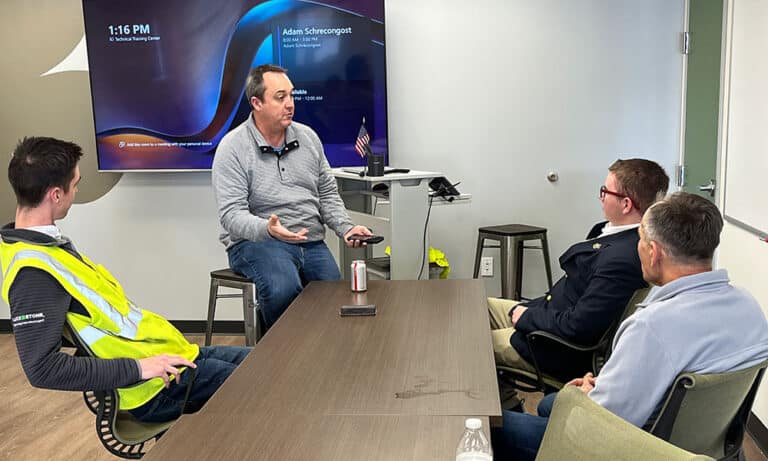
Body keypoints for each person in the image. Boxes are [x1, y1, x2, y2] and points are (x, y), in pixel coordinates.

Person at [492, 192, 768, 460]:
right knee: (548, 404)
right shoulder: (750, 308)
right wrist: (600, 387)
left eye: (639, 240)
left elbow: (596, 426)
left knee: (488, 426)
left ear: (654, 251)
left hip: (629, 448)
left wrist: (586, 395)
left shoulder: (652, 326)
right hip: (703, 448)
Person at [1, 137, 251, 423]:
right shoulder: (32, 272)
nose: (77, 190)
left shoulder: (42, 247)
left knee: (267, 363)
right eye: (76, 184)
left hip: (166, 358)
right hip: (152, 388)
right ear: (56, 195)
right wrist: (139, 369)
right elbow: (42, 369)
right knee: (268, 384)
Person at [213, 64, 371, 328]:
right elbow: (231, 215)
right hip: (256, 243)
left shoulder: (308, 138)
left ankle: (322, 357)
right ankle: (280, 360)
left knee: (334, 294)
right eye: (280, 97)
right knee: (282, 288)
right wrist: (268, 229)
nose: (290, 104)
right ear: (256, 102)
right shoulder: (233, 147)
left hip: (310, 240)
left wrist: (346, 227)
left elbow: (328, 193)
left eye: (291, 95)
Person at [489, 159, 670, 380]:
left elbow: (579, 327)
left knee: (471, 345)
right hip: (545, 316)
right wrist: (529, 312)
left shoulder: (622, 259)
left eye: (605, 191)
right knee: (477, 308)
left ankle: (488, 408)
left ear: (626, 204)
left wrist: (527, 317)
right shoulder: (613, 233)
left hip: (548, 345)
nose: (600, 197)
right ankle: (506, 398)